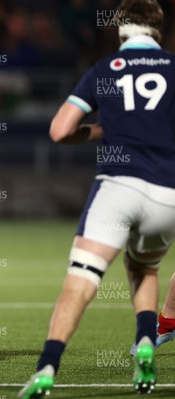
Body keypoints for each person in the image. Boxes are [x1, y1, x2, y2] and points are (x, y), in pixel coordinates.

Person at [19, 0, 174, 397]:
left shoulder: (106, 70)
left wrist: (98, 131)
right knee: (144, 269)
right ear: (159, 31)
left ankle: (47, 367)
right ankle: (144, 340)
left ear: (120, 29)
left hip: (118, 187)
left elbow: (58, 130)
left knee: (81, 280)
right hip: (167, 195)